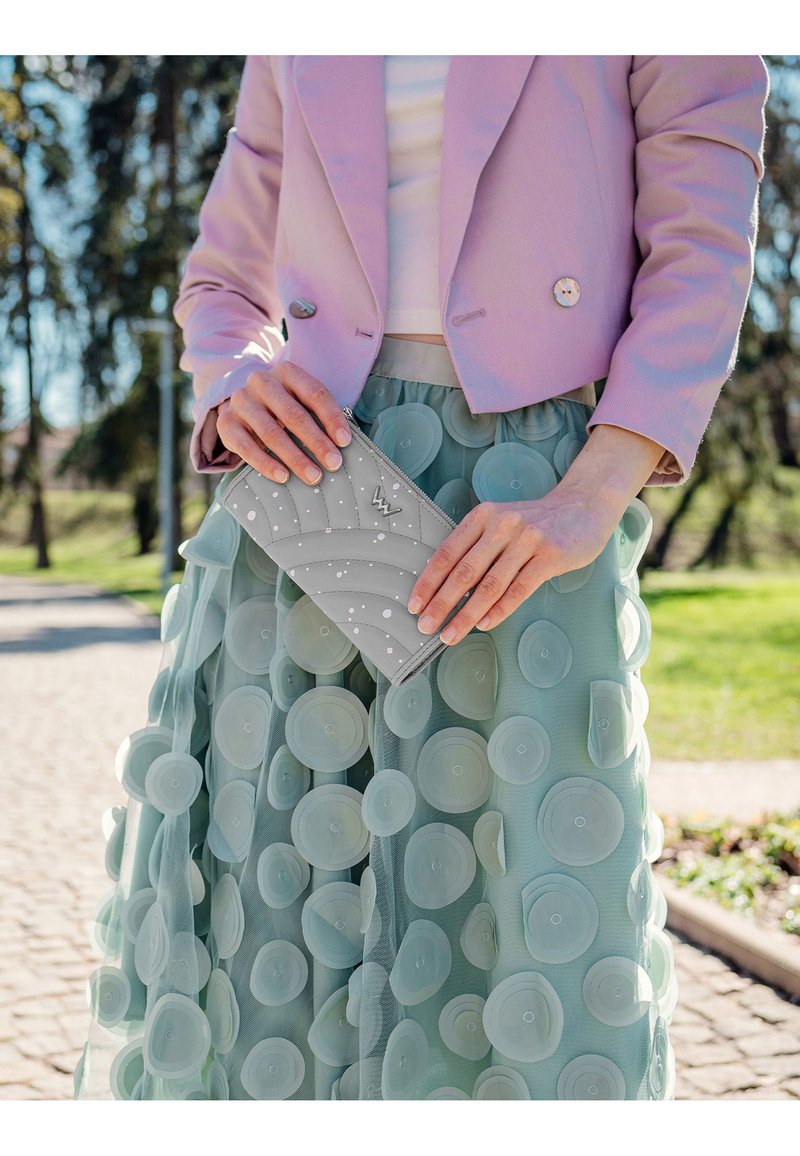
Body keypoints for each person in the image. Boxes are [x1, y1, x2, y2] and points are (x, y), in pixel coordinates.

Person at [73, 54, 769, 1101]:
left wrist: (592, 492)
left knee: (519, 907)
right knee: (278, 920)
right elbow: (223, 279)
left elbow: (702, 247)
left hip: (523, 508)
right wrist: (235, 378)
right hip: (310, 490)